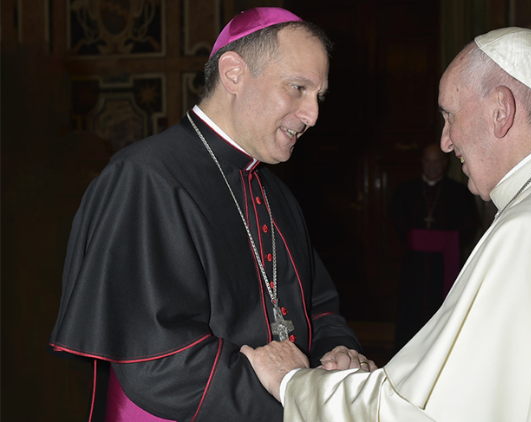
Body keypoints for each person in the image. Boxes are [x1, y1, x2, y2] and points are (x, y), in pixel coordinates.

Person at [244, 27, 531, 422]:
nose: (444, 142)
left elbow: (423, 413)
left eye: (449, 116)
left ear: (500, 110)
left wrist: (294, 382)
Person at [48, 7, 374, 422]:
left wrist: (336, 354)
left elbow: (318, 306)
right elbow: (159, 366)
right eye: (297, 88)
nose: (313, 116)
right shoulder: (145, 177)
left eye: (318, 97)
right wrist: (295, 395)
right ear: (234, 73)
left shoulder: (276, 193)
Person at [388, 143, 477, 351]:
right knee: (411, 312)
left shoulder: (458, 192)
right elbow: (397, 226)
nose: (432, 166)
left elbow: (468, 227)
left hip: (445, 267)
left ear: (445, 163)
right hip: (414, 267)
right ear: (422, 163)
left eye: (437, 161)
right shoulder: (406, 191)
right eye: (428, 161)